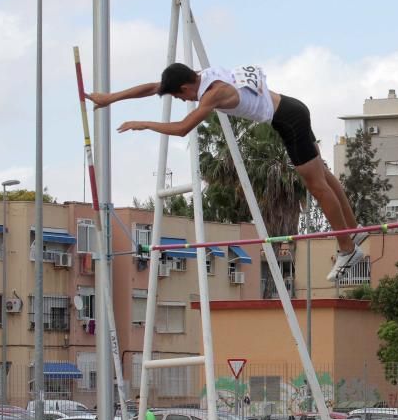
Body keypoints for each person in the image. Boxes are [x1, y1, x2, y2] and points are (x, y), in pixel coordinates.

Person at [88, 64, 365, 281]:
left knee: (316, 185)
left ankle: (347, 249)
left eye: (178, 95)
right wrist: (111, 98)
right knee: (325, 177)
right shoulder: (202, 75)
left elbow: (184, 128)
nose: (183, 99)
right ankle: (353, 230)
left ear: (185, 86)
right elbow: (151, 87)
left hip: (288, 121)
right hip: (291, 109)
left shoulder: (214, 92)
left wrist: (145, 124)